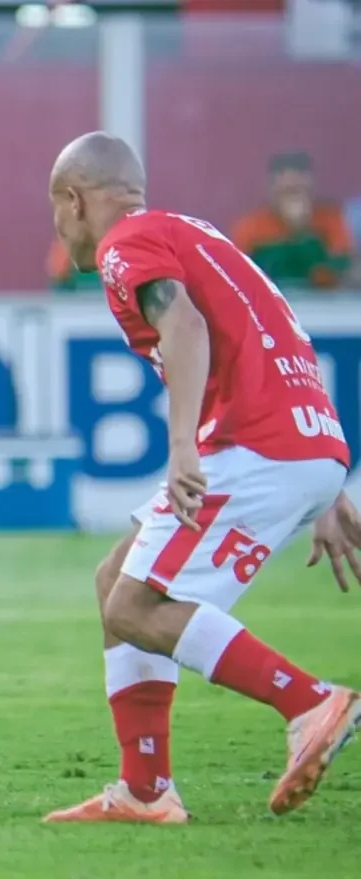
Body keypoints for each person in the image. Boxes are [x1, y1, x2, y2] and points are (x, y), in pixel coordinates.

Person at [43, 131, 361, 825]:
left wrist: (181, 444)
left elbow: (185, 329)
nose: (59, 231)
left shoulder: (122, 244)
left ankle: (307, 700)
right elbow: (268, 334)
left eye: (55, 213)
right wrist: (323, 482)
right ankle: (145, 790)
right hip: (300, 438)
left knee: (131, 607)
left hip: (247, 444)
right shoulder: (194, 232)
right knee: (116, 578)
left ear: (72, 201)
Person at [231, 152, 353, 291]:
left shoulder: (330, 220)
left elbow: (341, 270)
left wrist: (301, 230)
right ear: (271, 190)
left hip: (325, 304)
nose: (292, 200)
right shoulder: (250, 226)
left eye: (297, 191)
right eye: (286, 191)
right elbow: (241, 275)